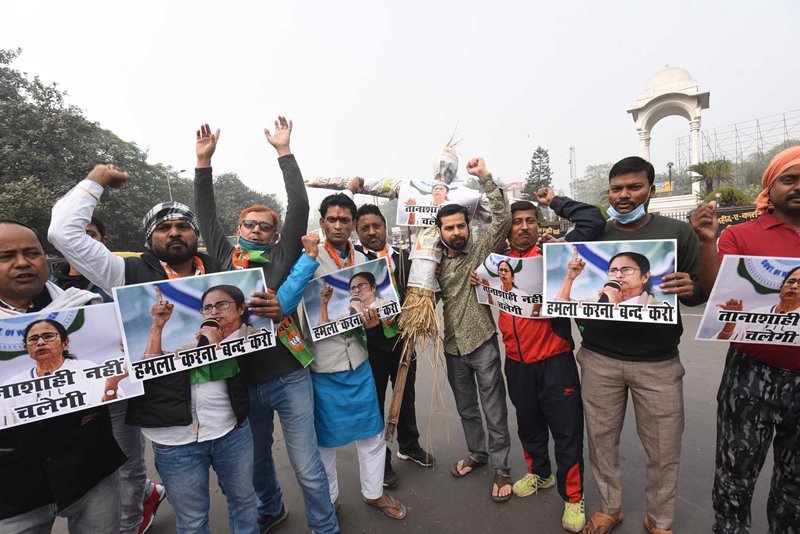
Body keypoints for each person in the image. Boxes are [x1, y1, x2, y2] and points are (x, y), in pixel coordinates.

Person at [49, 166, 272, 534]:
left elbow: (253, 330)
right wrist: (97, 180)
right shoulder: (127, 273)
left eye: (182, 226)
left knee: (245, 502)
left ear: (194, 234)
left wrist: (269, 311)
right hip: (172, 434)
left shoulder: (225, 274)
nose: (174, 233)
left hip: (231, 424)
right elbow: (63, 233)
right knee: (193, 519)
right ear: (150, 236)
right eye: (163, 228)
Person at [192, 119, 339, 534]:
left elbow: (300, 206)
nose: (256, 230)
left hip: (289, 376)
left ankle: (325, 527)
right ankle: (271, 509)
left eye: (265, 226)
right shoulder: (223, 260)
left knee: (306, 466)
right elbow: (205, 213)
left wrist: (284, 152)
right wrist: (203, 163)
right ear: (238, 231)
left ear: (276, 236)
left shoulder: (282, 258)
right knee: (257, 464)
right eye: (249, 225)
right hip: (241, 382)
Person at [579, 156, 706, 534]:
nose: (624, 195)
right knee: (601, 442)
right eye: (617, 188)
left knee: (664, 450)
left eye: (634, 187)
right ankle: (609, 507)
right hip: (599, 359)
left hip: (659, 364)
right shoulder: (595, 233)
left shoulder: (677, 234)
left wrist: (690, 288)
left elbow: (698, 293)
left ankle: (660, 519)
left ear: (651, 189)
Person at [472, 189, 604, 531]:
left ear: (539, 223)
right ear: (508, 228)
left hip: (555, 360)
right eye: (517, 222)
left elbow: (592, 219)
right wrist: (480, 281)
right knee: (529, 426)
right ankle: (539, 474)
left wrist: (554, 200)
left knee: (566, 432)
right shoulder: (493, 261)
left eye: (530, 220)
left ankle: (573, 498)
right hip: (515, 362)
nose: (524, 227)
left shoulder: (553, 254)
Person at [691, 146, 800, 533]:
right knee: (735, 480)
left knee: (795, 488)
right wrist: (706, 242)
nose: (798, 187)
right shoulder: (740, 235)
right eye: (789, 179)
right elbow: (712, 292)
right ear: (770, 187)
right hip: (751, 375)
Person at [0, 219, 125, 533]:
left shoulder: (87, 309)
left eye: (32, 253)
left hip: (91, 471)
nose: (22, 263)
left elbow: (113, 379)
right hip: (11, 489)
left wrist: (125, 352)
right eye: (5, 257)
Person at [47, 216, 166, 534]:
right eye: (76, 236)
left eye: (91, 236)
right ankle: (146, 493)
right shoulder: (48, 289)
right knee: (83, 468)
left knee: (127, 462)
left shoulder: (119, 282)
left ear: (102, 242)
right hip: (67, 399)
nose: (83, 242)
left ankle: (131, 521)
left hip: (117, 389)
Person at [302, 192, 407, 520]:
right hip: (323, 363)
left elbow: (379, 307)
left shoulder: (364, 262)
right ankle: (330, 501)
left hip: (359, 360)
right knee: (325, 443)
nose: (338, 225)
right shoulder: (308, 260)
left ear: (352, 225)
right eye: (331, 219)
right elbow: (295, 305)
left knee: (372, 433)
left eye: (344, 220)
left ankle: (374, 493)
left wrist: (376, 321)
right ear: (322, 223)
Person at [436, 157, 514, 502]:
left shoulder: (479, 250)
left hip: (482, 341)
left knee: (493, 407)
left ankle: (502, 467)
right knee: (466, 408)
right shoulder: (432, 261)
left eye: (459, 226)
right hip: (452, 346)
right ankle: (478, 454)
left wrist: (485, 177)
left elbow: (502, 219)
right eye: (448, 228)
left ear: (467, 226)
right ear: (439, 232)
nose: (455, 232)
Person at [351, 202, 435, 488]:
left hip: (403, 339)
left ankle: (409, 446)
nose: (372, 232)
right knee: (375, 402)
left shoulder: (404, 257)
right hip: (370, 346)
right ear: (357, 231)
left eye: (377, 226)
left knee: (406, 396)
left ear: (386, 227)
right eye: (365, 228)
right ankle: (381, 463)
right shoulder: (355, 263)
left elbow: (419, 291)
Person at [715, 266, 800, 340]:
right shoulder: (757, 313)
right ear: (782, 287)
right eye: (790, 281)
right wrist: (731, 320)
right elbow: (720, 340)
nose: (793, 286)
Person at [556, 249, 662, 306]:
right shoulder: (596, 302)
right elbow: (559, 306)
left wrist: (614, 304)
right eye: (613, 270)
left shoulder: (657, 308)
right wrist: (570, 278)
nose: (618, 275)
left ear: (645, 277)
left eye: (627, 270)